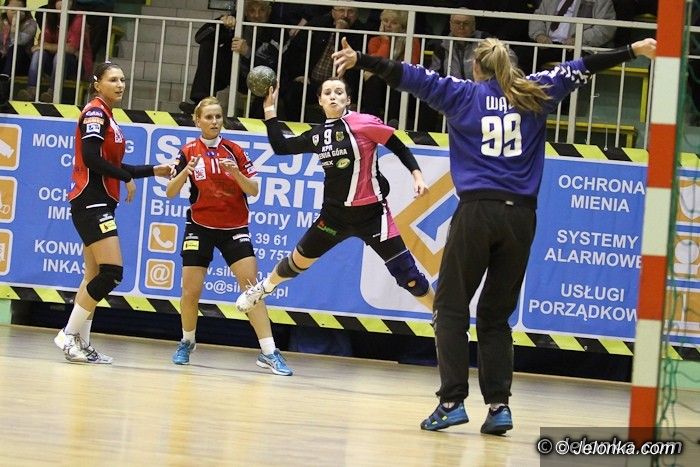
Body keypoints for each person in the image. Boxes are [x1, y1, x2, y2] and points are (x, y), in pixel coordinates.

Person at [332, 35, 656, 433]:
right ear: (510, 66)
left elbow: (408, 76)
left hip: (477, 212)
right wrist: (633, 50)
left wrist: (362, 59)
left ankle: (452, 401)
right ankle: (499, 407)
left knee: (450, 309)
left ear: (475, 67)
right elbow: (583, 66)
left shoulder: (462, 94)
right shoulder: (535, 90)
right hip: (521, 217)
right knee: (495, 316)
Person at [235, 77, 435, 317]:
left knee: (409, 277)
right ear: (320, 100)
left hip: (373, 217)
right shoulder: (318, 135)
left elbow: (399, 147)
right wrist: (269, 108)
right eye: (327, 92)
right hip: (333, 218)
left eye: (339, 92)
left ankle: (444, 322)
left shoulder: (364, 123)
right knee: (296, 264)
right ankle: (264, 288)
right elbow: (281, 147)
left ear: (348, 99)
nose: (333, 96)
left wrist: (417, 176)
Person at [53, 61, 175, 363]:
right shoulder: (95, 113)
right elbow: (92, 159)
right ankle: (68, 334)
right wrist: (126, 178)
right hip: (90, 200)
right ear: (97, 84)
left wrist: (154, 170)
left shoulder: (108, 115)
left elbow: (114, 165)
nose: (120, 85)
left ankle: (81, 343)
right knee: (112, 273)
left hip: (100, 201)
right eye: (113, 80)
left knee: (93, 275)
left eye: (122, 79)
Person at [165, 96, 292, 376]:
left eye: (218, 117)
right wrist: (185, 171)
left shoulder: (234, 150)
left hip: (234, 228)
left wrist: (236, 173)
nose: (214, 122)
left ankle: (269, 352)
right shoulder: (188, 151)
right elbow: (170, 192)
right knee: (190, 291)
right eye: (208, 117)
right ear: (197, 121)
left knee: (252, 290)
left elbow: (253, 190)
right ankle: (187, 341)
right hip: (199, 226)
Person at [179, 0, 280, 118]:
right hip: (232, 73)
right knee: (208, 46)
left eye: (261, 10)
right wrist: (221, 22)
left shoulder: (276, 28)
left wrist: (247, 52)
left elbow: (273, 62)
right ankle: (201, 103)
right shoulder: (237, 20)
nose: (256, 15)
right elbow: (199, 37)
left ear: (269, 11)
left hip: (259, 78)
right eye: (252, 10)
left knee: (272, 77)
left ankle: (258, 119)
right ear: (245, 12)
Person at [278, 5, 366, 123]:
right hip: (311, 82)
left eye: (350, 11)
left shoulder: (362, 32)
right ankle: (299, 128)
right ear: (333, 12)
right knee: (293, 93)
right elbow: (295, 51)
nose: (345, 15)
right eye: (341, 10)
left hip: (341, 86)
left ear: (357, 15)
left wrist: (341, 32)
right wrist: (299, 74)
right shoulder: (318, 24)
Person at [16, 0, 93, 102]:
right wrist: (52, 47)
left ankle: (52, 93)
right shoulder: (51, 16)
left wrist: (48, 46)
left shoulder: (78, 18)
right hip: (54, 63)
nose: (63, 3)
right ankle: (31, 91)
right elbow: (42, 43)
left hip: (76, 65)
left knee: (59, 56)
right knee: (39, 53)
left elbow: (71, 48)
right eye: (59, 0)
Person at [361, 9, 420, 122]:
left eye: (394, 23)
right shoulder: (375, 41)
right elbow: (375, 64)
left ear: (402, 27)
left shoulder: (411, 40)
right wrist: (385, 42)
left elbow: (411, 65)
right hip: (380, 83)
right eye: (385, 21)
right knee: (373, 79)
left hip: (401, 85)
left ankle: (393, 121)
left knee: (397, 79)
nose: (388, 25)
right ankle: (371, 120)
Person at [528, 0, 616, 70]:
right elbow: (538, 17)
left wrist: (579, 39)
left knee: (572, 69)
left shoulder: (601, 1)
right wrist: (539, 35)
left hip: (578, 48)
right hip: (548, 45)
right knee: (524, 55)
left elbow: (606, 28)